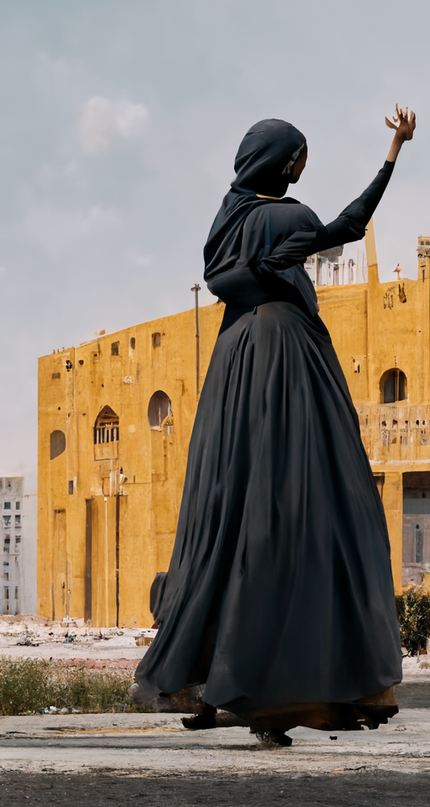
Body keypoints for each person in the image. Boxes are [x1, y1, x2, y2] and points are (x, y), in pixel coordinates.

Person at [135, 105, 416, 742]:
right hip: (288, 358)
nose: (299, 170)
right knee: (298, 512)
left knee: (223, 514)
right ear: (284, 165)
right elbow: (352, 222)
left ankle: (206, 692)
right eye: (298, 160)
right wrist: (394, 153)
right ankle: (268, 703)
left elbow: (220, 279)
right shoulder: (291, 218)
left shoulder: (227, 216)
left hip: (233, 361)